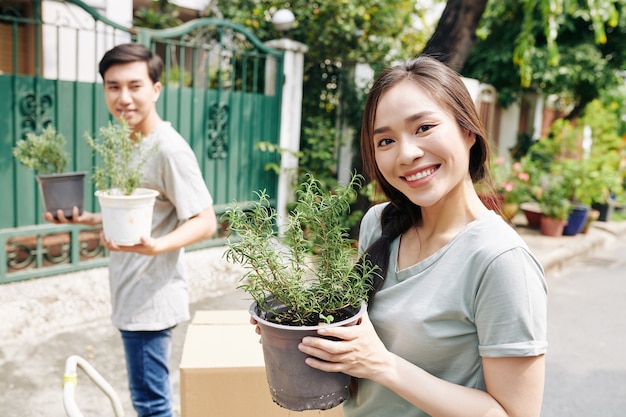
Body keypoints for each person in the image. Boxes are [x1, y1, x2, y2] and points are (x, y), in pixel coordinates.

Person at [297, 56, 548, 417]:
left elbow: (515, 414)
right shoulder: (379, 223)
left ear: (468, 130)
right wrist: (293, 328)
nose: (407, 154)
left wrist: (382, 365)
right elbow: (359, 345)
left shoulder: (500, 259)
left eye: (424, 127)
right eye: (385, 140)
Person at [46, 43, 217, 417]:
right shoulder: (128, 143)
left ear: (156, 89)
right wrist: (88, 219)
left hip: (150, 299)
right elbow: (142, 214)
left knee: (152, 405)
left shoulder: (169, 149)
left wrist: (155, 247)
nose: (123, 98)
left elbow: (206, 221)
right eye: (113, 86)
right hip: (131, 293)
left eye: (135, 86)